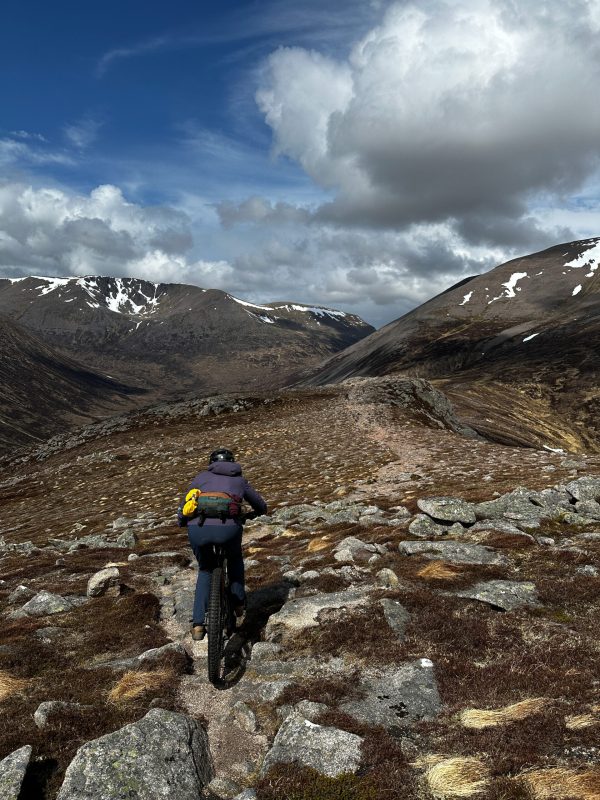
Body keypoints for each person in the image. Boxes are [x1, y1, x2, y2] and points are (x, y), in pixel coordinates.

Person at [178, 447, 267, 641]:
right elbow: (260, 505)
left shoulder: (200, 478)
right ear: (232, 462)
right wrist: (257, 513)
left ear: (211, 463)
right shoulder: (240, 480)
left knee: (205, 570)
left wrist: (182, 521)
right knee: (234, 559)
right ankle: (238, 603)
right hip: (229, 530)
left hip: (198, 530)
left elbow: (185, 505)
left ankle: (198, 625)